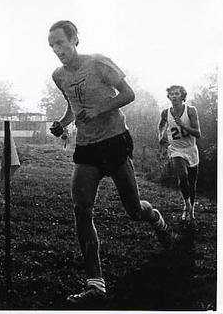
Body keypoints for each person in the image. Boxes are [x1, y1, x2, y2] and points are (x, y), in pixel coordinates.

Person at [48, 20, 175, 306]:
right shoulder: (58, 75)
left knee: (133, 210)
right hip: (87, 147)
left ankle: (155, 218)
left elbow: (129, 95)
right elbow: (73, 105)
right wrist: (62, 123)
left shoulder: (99, 63)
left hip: (115, 141)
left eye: (61, 43)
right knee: (81, 209)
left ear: (75, 39)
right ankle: (96, 284)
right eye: (52, 46)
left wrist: (99, 109)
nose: (58, 50)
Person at [158, 85, 201, 221]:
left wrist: (183, 126)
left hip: (191, 149)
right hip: (176, 150)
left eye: (177, 94)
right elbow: (161, 125)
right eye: (171, 94)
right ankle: (186, 204)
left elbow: (198, 133)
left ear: (183, 96)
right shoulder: (165, 112)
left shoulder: (191, 110)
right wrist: (160, 136)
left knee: (192, 183)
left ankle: (191, 209)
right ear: (169, 97)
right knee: (182, 176)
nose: (174, 96)